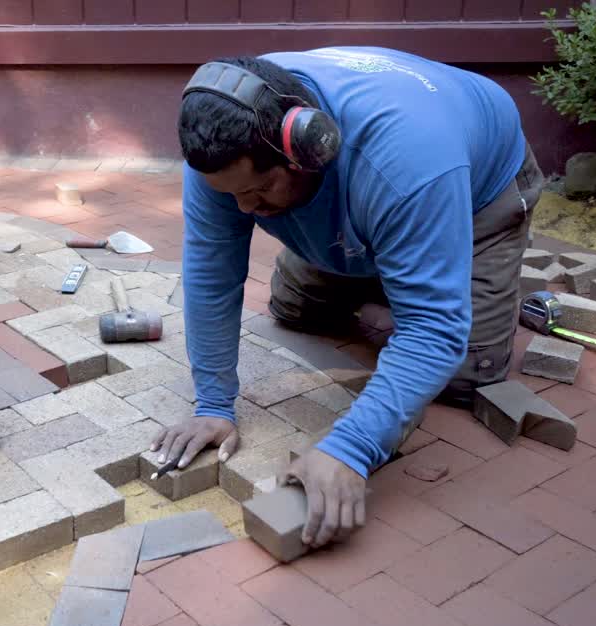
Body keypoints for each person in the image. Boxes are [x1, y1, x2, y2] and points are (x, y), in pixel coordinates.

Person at [152, 46, 545, 549]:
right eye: (232, 195)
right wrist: (212, 403)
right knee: (293, 311)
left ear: (309, 147)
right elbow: (211, 277)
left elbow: (435, 330)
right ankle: (399, 261)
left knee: (464, 375)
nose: (246, 208)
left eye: (261, 189)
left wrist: (351, 450)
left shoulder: (409, 159)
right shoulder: (222, 153)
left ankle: (421, 262)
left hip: (478, 194)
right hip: (380, 192)